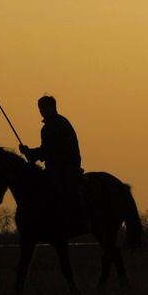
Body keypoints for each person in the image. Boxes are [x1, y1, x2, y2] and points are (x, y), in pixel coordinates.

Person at [19, 95, 85, 230]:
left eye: (43, 108)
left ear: (52, 107)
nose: (41, 111)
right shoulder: (49, 126)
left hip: (66, 167)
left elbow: (51, 149)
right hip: (54, 168)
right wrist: (30, 152)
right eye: (40, 108)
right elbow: (47, 150)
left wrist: (32, 153)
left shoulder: (58, 124)